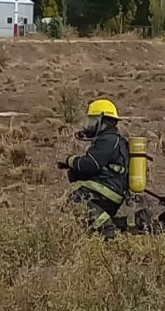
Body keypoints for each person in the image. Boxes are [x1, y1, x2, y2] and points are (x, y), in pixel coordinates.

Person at [58, 99, 130, 237]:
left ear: (102, 122)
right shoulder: (113, 140)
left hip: (107, 190)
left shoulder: (108, 140)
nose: (89, 124)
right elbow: (101, 168)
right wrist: (76, 174)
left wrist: (70, 160)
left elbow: (90, 165)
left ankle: (110, 233)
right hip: (110, 189)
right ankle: (115, 227)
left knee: (75, 201)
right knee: (84, 211)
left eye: (92, 120)